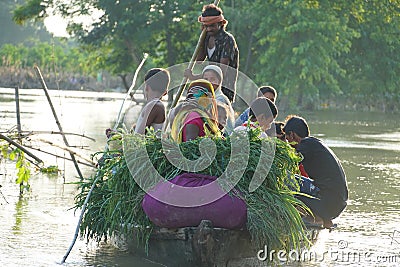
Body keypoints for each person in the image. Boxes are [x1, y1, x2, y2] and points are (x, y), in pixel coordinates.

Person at [142, 79, 246, 229]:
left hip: (196, 177)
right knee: (237, 204)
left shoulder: (194, 116)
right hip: (193, 177)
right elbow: (192, 155)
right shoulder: (193, 117)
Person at [283, 115, 348, 229]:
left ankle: (313, 218)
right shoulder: (313, 143)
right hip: (338, 201)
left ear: (292, 134)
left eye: (287, 138)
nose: (287, 142)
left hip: (330, 202)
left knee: (286, 180)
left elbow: (288, 163)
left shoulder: (305, 145)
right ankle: (325, 219)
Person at [193, 4, 239, 103]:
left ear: (221, 24)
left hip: (224, 91)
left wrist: (195, 78)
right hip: (209, 90)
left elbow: (221, 71)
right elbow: (199, 61)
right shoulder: (207, 37)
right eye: (206, 26)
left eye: (212, 26)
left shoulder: (228, 40)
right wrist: (202, 38)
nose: (209, 29)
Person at [184, 64, 235, 134]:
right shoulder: (203, 97)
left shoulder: (220, 99)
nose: (209, 82)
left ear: (219, 81)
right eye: (206, 79)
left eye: (213, 79)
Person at [133, 68, 170, 135]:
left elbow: (138, 135)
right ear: (165, 92)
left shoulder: (154, 105)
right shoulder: (156, 105)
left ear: (146, 87)